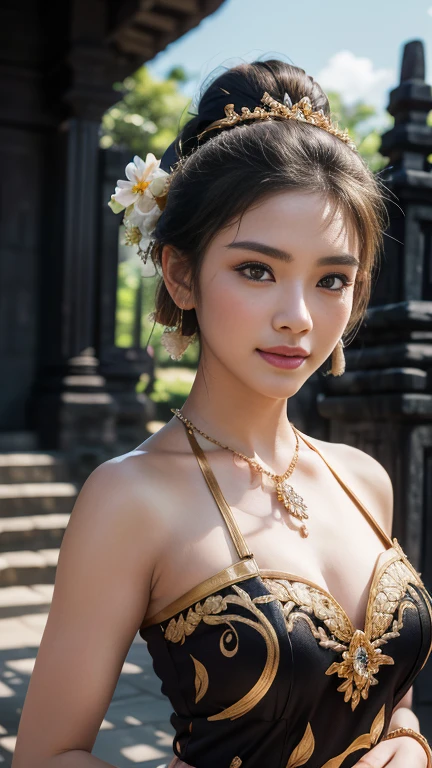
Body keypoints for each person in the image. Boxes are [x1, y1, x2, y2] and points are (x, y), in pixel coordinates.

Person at [12, 60, 432, 768]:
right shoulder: (130, 498)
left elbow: (386, 695)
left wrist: (408, 741)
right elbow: (45, 756)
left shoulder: (366, 480)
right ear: (181, 273)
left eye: (332, 279)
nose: (299, 318)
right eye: (257, 270)